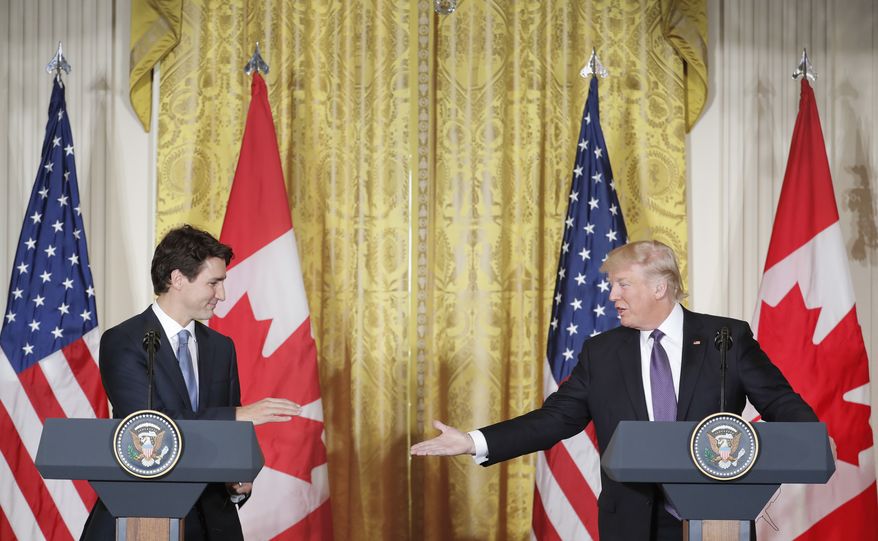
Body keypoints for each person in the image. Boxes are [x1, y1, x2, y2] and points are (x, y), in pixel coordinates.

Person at [411, 240, 818, 541]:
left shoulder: (724, 338)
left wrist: (812, 441)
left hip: (713, 520)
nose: (611, 296)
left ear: (660, 287)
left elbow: (780, 402)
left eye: (622, 284)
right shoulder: (602, 353)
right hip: (630, 524)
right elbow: (555, 419)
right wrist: (473, 441)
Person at [80, 225, 301, 541]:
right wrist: (238, 414)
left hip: (214, 523)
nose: (222, 295)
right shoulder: (124, 341)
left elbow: (228, 442)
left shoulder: (221, 347)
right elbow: (150, 427)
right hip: (141, 518)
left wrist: (236, 481)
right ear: (177, 279)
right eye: (214, 283)